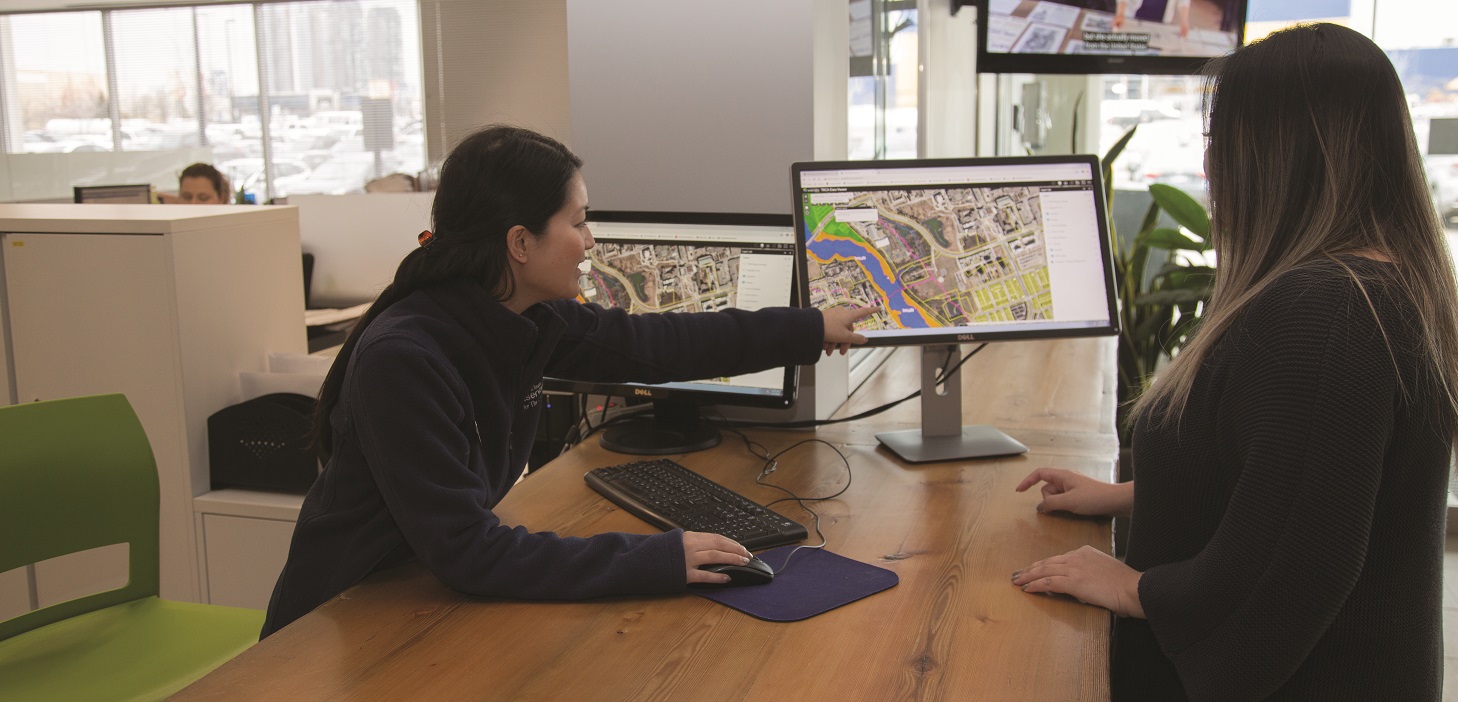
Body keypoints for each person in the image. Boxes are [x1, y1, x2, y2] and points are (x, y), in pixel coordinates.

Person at [260, 125, 874, 638]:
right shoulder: (406, 358)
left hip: (426, 598)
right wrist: (661, 558)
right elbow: (471, 551)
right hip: (342, 623)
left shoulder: (527, 316)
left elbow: (656, 346)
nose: (590, 242)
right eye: (578, 223)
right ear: (520, 242)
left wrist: (807, 326)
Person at [1011, 24, 1457, 700]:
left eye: (1219, 141)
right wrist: (1130, 495)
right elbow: (1304, 481)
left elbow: (1295, 567)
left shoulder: (1329, 312)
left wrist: (1133, 587)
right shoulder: (1376, 285)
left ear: (1277, 155)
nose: (1211, 165)